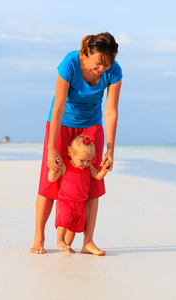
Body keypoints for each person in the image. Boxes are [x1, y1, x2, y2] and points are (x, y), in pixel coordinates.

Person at [30, 32, 122, 255]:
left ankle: (87, 241)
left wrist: (110, 149)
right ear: (86, 53)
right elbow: (58, 106)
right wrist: (52, 147)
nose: (102, 69)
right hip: (62, 124)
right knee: (51, 178)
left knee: (92, 184)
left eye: (107, 65)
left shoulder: (114, 71)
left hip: (92, 126)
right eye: (99, 63)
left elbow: (110, 111)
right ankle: (39, 237)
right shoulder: (70, 63)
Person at [48, 135, 110, 254]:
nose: (85, 163)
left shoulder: (88, 168)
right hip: (65, 201)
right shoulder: (65, 166)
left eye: (88, 160)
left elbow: (97, 176)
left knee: (73, 229)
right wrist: (53, 169)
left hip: (80, 204)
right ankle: (60, 240)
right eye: (82, 160)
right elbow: (51, 179)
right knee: (64, 221)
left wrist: (104, 171)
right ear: (72, 153)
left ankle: (68, 245)